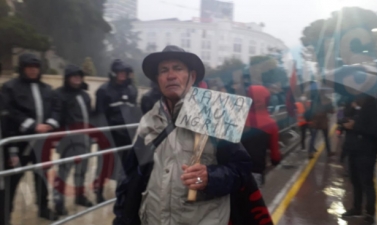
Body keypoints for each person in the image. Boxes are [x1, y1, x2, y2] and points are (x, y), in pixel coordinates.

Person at [113, 45, 272, 225]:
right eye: (164, 70)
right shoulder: (148, 121)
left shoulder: (215, 113)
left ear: (192, 76)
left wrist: (210, 177)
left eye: (178, 68)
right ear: (158, 79)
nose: (170, 75)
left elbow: (241, 170)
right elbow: (130, 176)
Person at [0, 53, 59, 223]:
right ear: (22, 68)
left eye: (36, 67)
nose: (33, 70)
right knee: (11, 182)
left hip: (40, 145)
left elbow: (56, 108)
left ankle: (43, 208)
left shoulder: (47, 89)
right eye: (29, 67)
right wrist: (33, 126)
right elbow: (8, 114)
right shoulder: (10, 87)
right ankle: (4, 216)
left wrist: (51, 123)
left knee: (41, 178)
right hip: (18, 144)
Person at [51, 65, 93, 215]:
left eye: (79, 76)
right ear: (67, 78)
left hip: (85, 139)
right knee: (63, 172)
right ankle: (58, 202)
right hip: (68, 140)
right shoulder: (60, 94)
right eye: (73, 76)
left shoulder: (85, 95)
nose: (77, 78)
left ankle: (79, 196)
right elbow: (57, 116)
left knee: (82, 170)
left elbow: (89, 115)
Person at [94, 59, 138, 203]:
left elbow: (133, 112)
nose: (123, 75)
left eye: (125, 72)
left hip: (126, 135)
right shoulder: (104, 90)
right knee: (104, 164)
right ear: (114, 73)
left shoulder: (132, 90)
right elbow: (100, 115)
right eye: (120, 72)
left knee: (125, 165)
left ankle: (121, 191)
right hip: (110, 135)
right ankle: (98, 191)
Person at [341, 96, 377, 224]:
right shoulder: (361, 105)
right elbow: (354, 119)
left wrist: (355, 126)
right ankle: (356, 208)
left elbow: (376, 131)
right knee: (355, 180)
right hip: (354, 148)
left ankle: (370, 213)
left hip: (367, 151)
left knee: (367, 183)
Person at [241, 85, 281, 187]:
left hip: (234, 169)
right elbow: (275, 153)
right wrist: (275, 161)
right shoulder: (271, 124)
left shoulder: (239, 117)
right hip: (256, 169)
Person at [305, 89, 334, 159]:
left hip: (314, 120)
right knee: (326, 137)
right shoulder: (327, 100)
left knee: (313, 137)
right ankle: (329, 151)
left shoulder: (314, 100)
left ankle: (310, 152)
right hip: (323, 120)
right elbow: (332, 111)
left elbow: (310, 110)